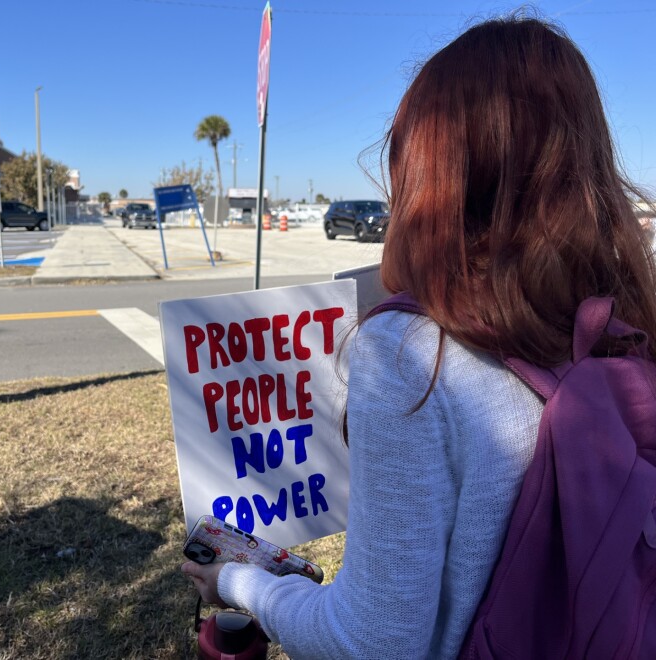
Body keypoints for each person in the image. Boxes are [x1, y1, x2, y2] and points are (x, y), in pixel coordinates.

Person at [182, 14, 656, 659]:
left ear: (427, 174)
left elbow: (372, 640)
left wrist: (240, 581)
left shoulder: (410, 355)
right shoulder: (618, 328)